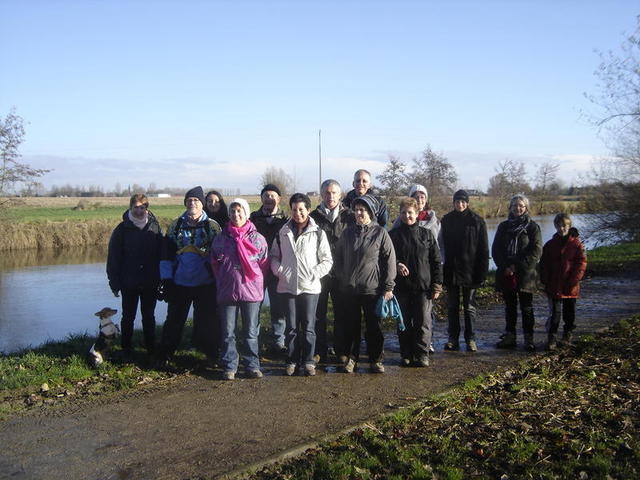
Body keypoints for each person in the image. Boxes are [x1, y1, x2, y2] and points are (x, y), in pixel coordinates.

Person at [156, 186, 222, 367]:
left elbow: (220, 256)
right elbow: (166, 255)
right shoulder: (175, 225)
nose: (193, 203)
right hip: (180, 283)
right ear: (186, 203)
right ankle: (165, 355)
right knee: (174, 321)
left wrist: (218, 280)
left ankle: (210, 354)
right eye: (190, 200)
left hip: (205, 283)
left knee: (208, 321)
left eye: (196, 201)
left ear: (202, 204)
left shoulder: (213, 227)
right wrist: (166, 280)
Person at [270, 193, 333, 376]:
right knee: (291, 328)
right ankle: (291, 361)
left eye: (301, 209)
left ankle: (308, 361)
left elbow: (327, 260)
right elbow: (274, 256)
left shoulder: (318, 233)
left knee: (308, 327)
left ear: (308, 210)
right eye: (295, 209)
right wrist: (279, 271)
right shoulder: (282, 232)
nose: (298, 213)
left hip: (310, 287)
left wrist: (315, 274)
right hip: (287, 286)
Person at [334, 194, 396, 373]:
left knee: (373, 327)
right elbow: (337, 257)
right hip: (350, 289)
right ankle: (351, 358)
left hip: (372, 289)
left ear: (370, 212)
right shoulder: (347, 233)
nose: (359, 213)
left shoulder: (380, 233)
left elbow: (390, 261)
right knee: (351, 326)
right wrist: (341, 276)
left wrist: (389, 286)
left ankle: (375, 359)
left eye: (363, 210)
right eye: (357, 210)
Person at [211, 198, 268, 380]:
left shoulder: (258, 239)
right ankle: (230, 366)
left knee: (251, 332)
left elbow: (264, 265)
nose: (236, 215)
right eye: (232, 211)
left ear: (246, 213)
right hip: (227, 291)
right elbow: (214, 264)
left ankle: (252, 365)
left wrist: (253, 281)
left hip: (251, 292)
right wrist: (224, 279)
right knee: (228, 332)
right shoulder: (220, 239)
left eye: (239, 211)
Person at [106, 193, 162, 357]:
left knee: (148, 316)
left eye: (142, 207)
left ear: (147, 208)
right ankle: (126, 347)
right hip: (128, 281)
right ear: (130, 208)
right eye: (135, 207)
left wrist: (162, 279)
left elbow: (161, 255)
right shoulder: (122, 229)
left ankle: (151, 347)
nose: (139, 211)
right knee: (128, 316)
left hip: (150, 281)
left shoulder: (155, 227)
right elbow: (113, 258)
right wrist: (114, 283)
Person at [389, 197, 442, 367]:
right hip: (401, 287)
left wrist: (437, 284)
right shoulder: (393, 235)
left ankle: (422, 354)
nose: (407, 216)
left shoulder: (426, 235)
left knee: (423, 323)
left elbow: (436, 260)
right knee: (403, 323)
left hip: (423, 287)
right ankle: (406, 354)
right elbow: (386, 259)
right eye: (403, 213)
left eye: (410, 213)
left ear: (417, 213)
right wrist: (396, 265)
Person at [309, 179, 354, 363]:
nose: (330, 196)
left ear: (340, 194)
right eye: (327, 193)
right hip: (320, 272)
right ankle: (320, 350)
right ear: (322, 195)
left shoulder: (349, 216)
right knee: (318, 313)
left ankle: (341, 349)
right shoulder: (313, 217)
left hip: (342, 271)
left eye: (334, 192)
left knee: (341, 312)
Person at [439, 189, 489, 352]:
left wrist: (482, 272)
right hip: (451, 271)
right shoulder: (446, 220)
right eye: (457, 201)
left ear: (467, 203)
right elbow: (442, 247)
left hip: (471, 271)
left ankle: (470, 339)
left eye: (462, 201)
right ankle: (453, 338)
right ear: (453, 203)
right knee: (452, 307)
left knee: (469, 307)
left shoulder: (477, 221)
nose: (459, 204)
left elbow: (483, 249)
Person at [492, 194, 542, 351]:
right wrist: (505, 266)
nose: (518, 208)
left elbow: (536, 251)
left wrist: (517, 266)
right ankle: (510, 336)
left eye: (521, 205)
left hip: (526, 275)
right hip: (507, 274)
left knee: (526, 308)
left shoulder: (533, 227)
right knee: (510, 307)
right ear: (510, 208)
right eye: (515, 206)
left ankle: (529, 338)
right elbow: (496, 249)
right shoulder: (503, 226)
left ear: (526, 208)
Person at [250, 184, 289, 354]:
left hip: (277, 268)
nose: (269, 199)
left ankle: (278, 340)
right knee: (254, 306)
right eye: (266, 196)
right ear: (261, 199)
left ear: (279, 199)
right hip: (255, 270)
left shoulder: (286, 219)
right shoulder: (252, 218)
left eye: (273, 196)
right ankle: (253, 340)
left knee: (278, 306)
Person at [540, 213, 587, 350]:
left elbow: (581, 263)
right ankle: (552, 337)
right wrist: (545, 279)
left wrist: (574, 280)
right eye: (559, 226)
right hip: (553, 284)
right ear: (555, 226)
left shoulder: (577, 244)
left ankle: (567, 334)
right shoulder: (549, 245)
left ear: (569, 226)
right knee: (554, 313)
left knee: (569, 312)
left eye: (565, 226)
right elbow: (544, 264)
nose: (562, 228)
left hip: (570, 284)